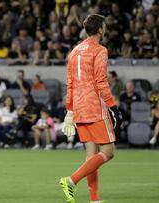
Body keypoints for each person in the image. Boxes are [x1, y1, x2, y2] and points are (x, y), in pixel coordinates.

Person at [60, 14, 122, 203]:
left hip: (79, 107)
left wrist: (70, 109)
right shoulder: (100, 50)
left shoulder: (74, 51)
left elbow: (69, 83)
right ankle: (70, 180)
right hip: (94, 106)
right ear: (100, 29)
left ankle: (94, 199)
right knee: (108, 152)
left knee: (91, 155)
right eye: (104, 26)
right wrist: (113, 106)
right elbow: (101, 81)